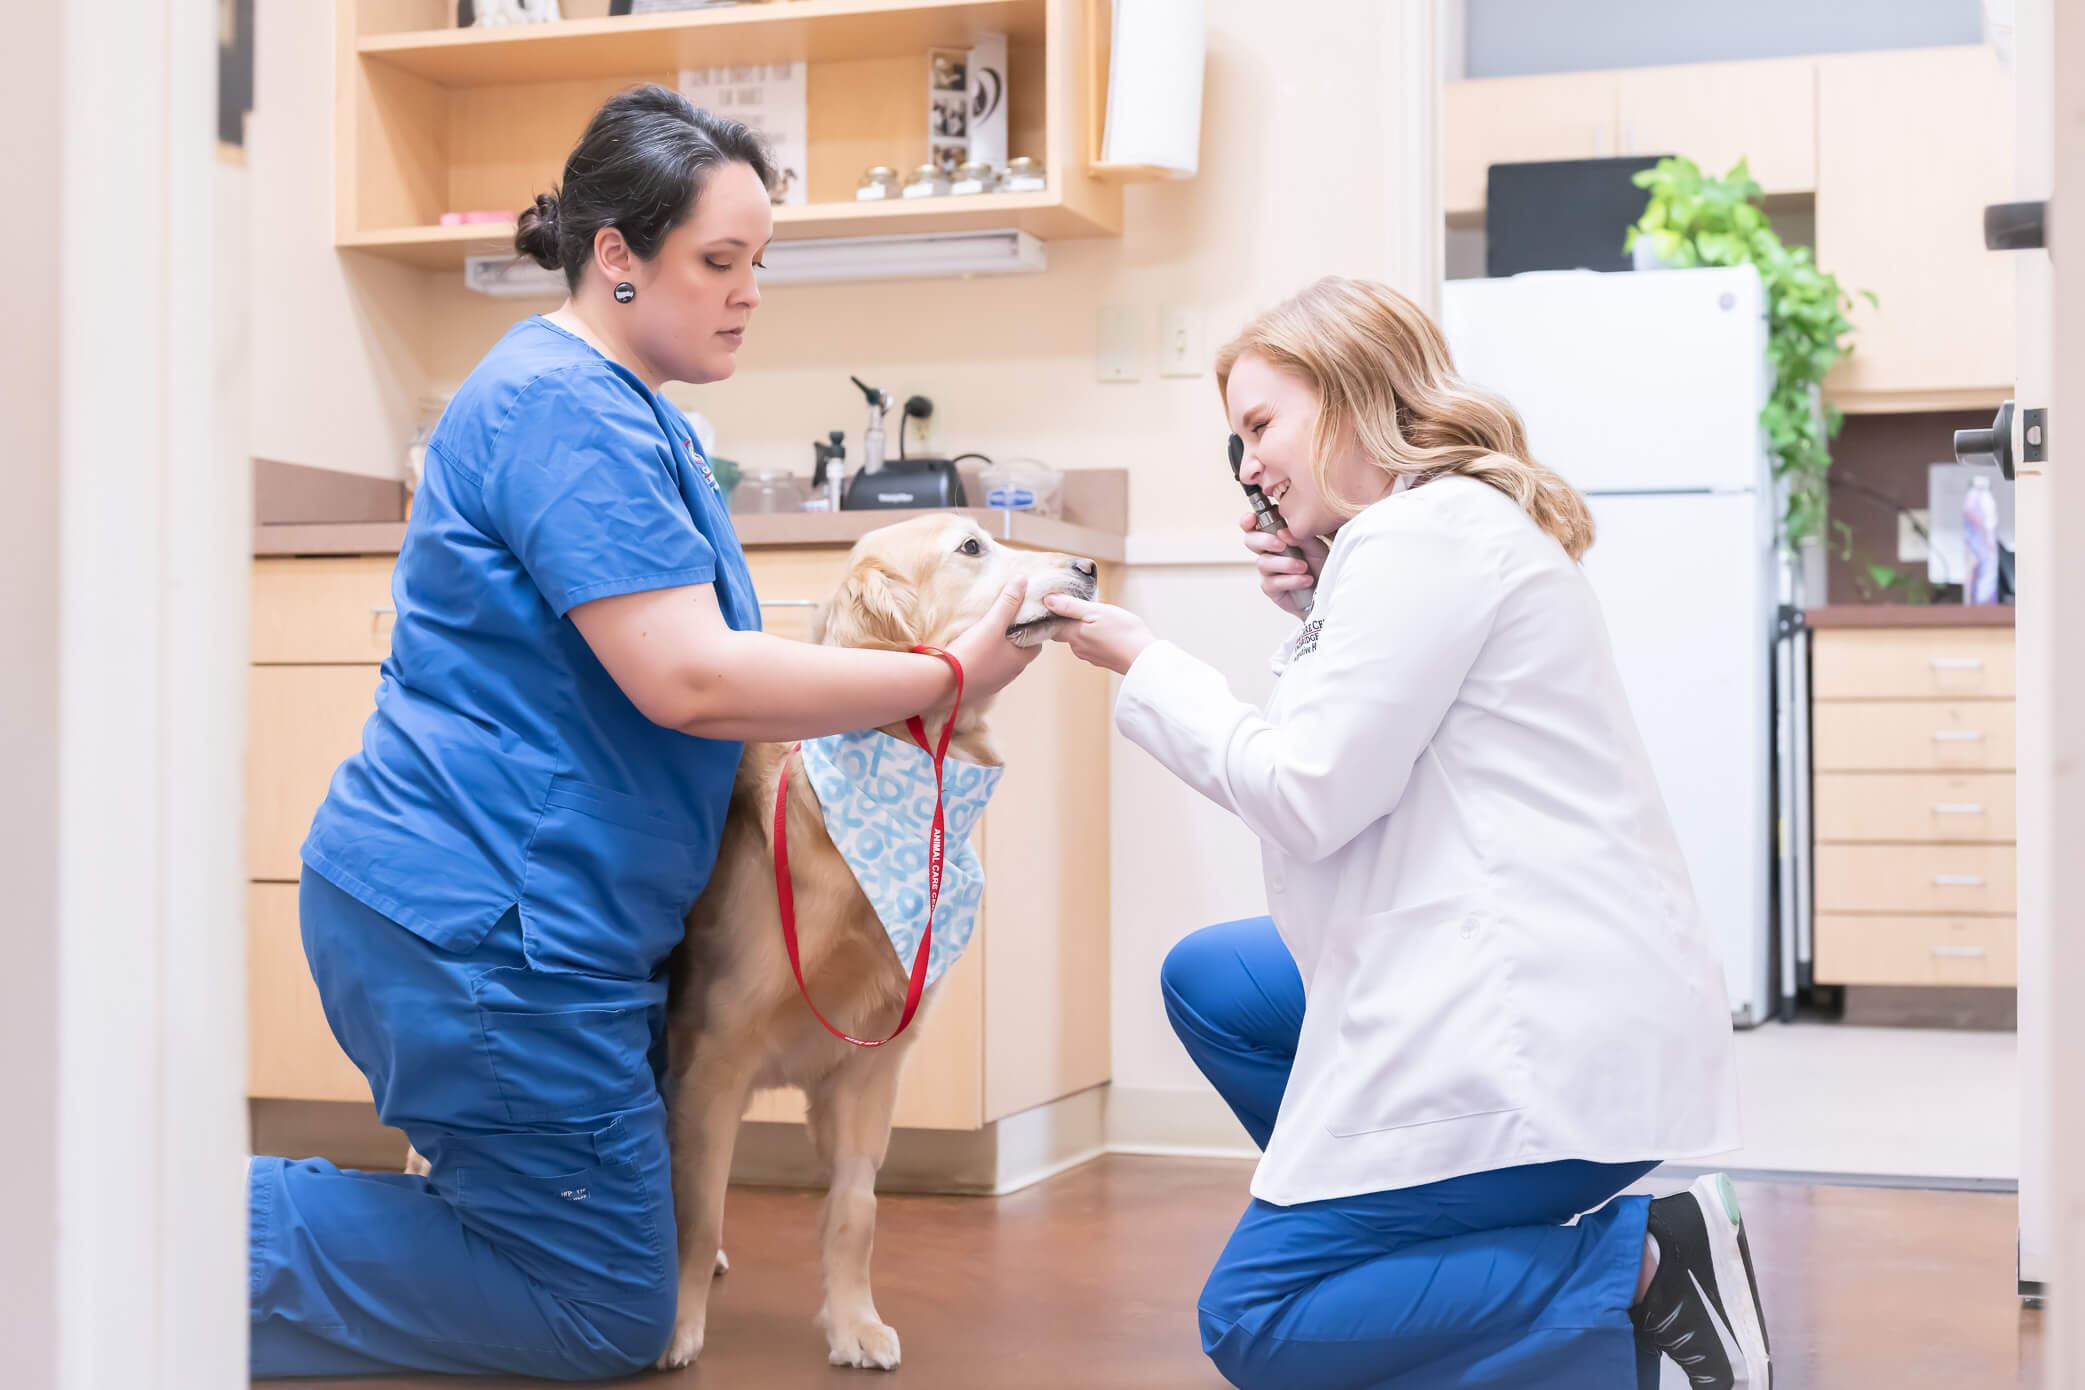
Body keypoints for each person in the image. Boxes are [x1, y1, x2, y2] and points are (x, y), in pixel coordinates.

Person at [246, 85, 1039, 1378]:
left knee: (577, 1264)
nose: (747, 290)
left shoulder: (632, 411)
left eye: (757, 263)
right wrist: (941, 674)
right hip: (480, 925)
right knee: (601, 1306)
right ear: (615, 253)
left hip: (523, 922)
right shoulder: (565, 407)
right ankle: (165, 1236)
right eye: (716, 261)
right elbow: (692, 682)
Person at [1043, 276, 1771, 1390]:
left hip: (1544, 1024)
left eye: (1260, 424)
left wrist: (1148, 661)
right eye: (1235, 439)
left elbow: (1304, 794)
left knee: (1258, 1314)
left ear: (1350, 397)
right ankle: (1433, 1258)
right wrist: (1314, 613)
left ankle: (1633, 1265)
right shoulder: (1422, 538)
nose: (1246, 466)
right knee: (1218, 981)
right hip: (1560, 981)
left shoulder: (1421, 536)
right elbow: (1362, 754)